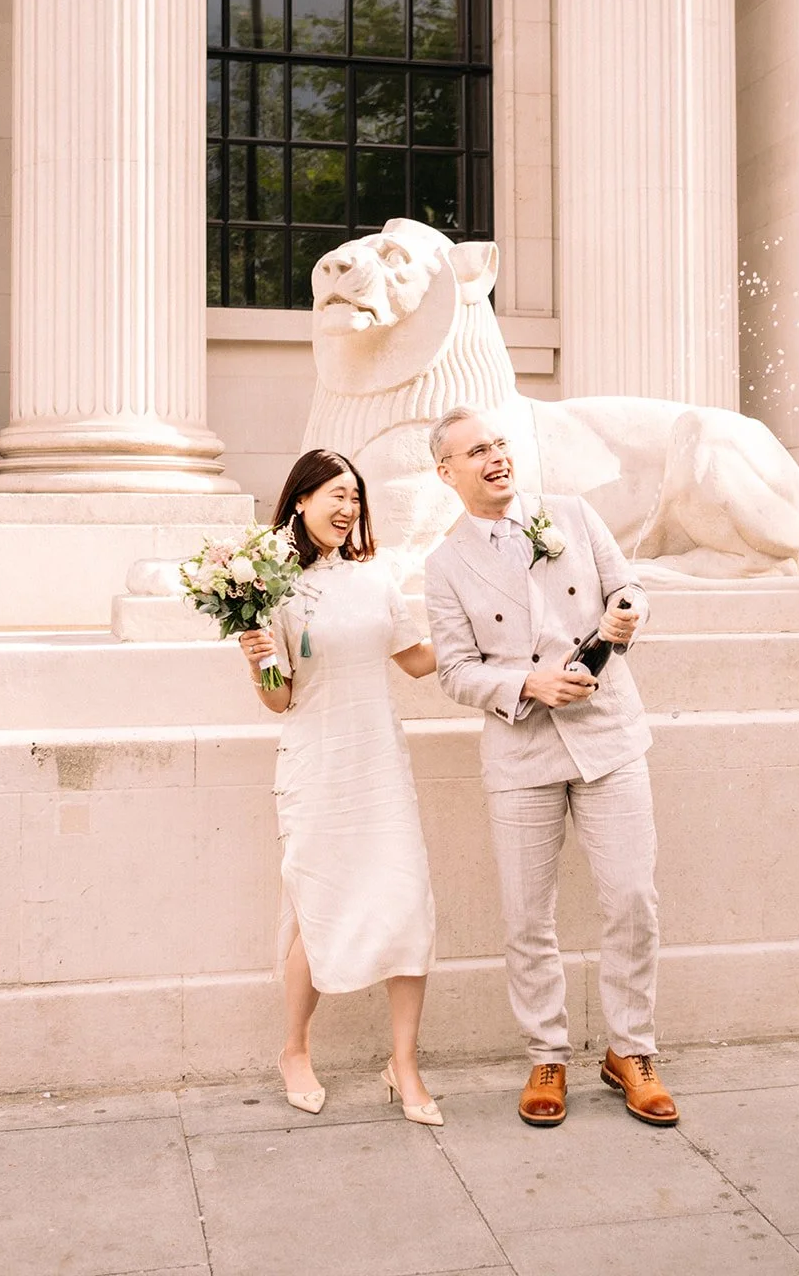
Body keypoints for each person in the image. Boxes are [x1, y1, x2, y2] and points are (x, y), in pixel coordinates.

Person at [424, 405, 678, 1129]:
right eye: (476, 451)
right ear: (447, 472)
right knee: (527, 916)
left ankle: (631, 1051)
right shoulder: (443, 567)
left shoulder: (570, 512)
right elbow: (452, 670)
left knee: (632, 897)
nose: (495, 456)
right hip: (522, 748)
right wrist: (525, 686)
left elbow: (627, 588)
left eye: (499, 444)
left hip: (608, 733)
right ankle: (548, 1055)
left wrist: (627, 612)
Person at [239, 448, 443, 1126]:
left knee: (405, 901)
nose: (347, 505)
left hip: (379, 764)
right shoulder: (272, 588)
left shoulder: (376, 576)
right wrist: (260, 658)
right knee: (315, 906)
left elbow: (415, 661)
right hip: (316, 764)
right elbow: (279, 699)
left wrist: (481, 630)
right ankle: (294, 1049)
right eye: (333, 492)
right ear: (299, 500)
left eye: (354, 494)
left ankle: (403, 1064)